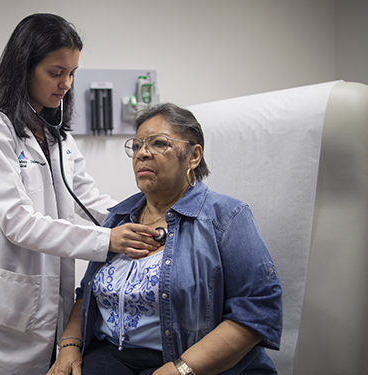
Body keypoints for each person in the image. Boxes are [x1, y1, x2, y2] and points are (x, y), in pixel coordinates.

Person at [0, 13, 161, 374]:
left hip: (43, 304)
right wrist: (108, 240)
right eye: (56, 73)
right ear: (24, 67)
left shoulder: (58, 136)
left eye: (72, 73)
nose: (66, 84)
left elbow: (88, 200)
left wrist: (146, 219)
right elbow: (18, 222)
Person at [48, 103, 283, 375]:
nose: (142, 154)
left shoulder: (227, 217)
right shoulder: (120, 217)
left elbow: (256, 311)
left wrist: (181, 369)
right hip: (113, 356)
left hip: (190, 361)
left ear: (194, 156)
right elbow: (87, 293)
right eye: (136, 146)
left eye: (159, 143)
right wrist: (69, 346)